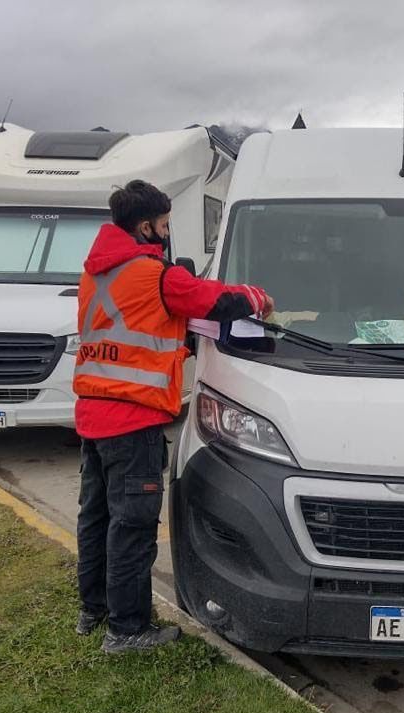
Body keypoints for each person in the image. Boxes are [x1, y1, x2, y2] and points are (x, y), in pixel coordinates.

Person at [74, 180, 273, 654]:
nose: (166, 235)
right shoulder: (154, 275)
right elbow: (216, 300)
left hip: (92, 416)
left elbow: (134, 331)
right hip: (133, 420)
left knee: (97, 519)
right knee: (133, 527)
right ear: (145, 227)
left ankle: (94, 609)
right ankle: (128, 630)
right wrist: (256, 297)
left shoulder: (95, 274)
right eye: (163, 226)